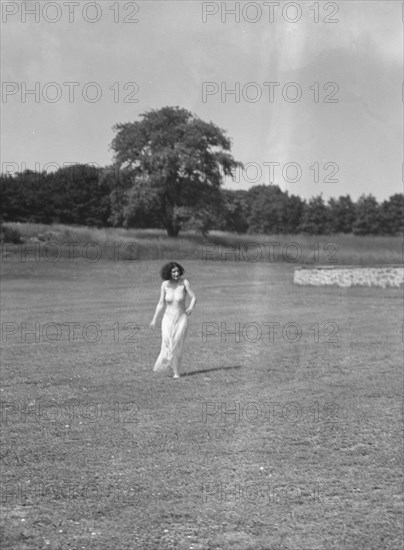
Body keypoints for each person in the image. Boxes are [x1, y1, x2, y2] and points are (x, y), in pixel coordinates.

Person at [150, 262, 196, 379]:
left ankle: (176, 372)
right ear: (169, 273)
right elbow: (161, 303)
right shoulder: (165, 285)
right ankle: (167, 363)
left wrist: (190, 307)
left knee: (176, 344)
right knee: (166, 343)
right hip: (167, 319)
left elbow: (194, 297)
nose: (176, 274)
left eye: (177, 271)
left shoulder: (184, 283)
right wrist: (154, 319)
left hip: (181, 319)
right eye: (173, 272)